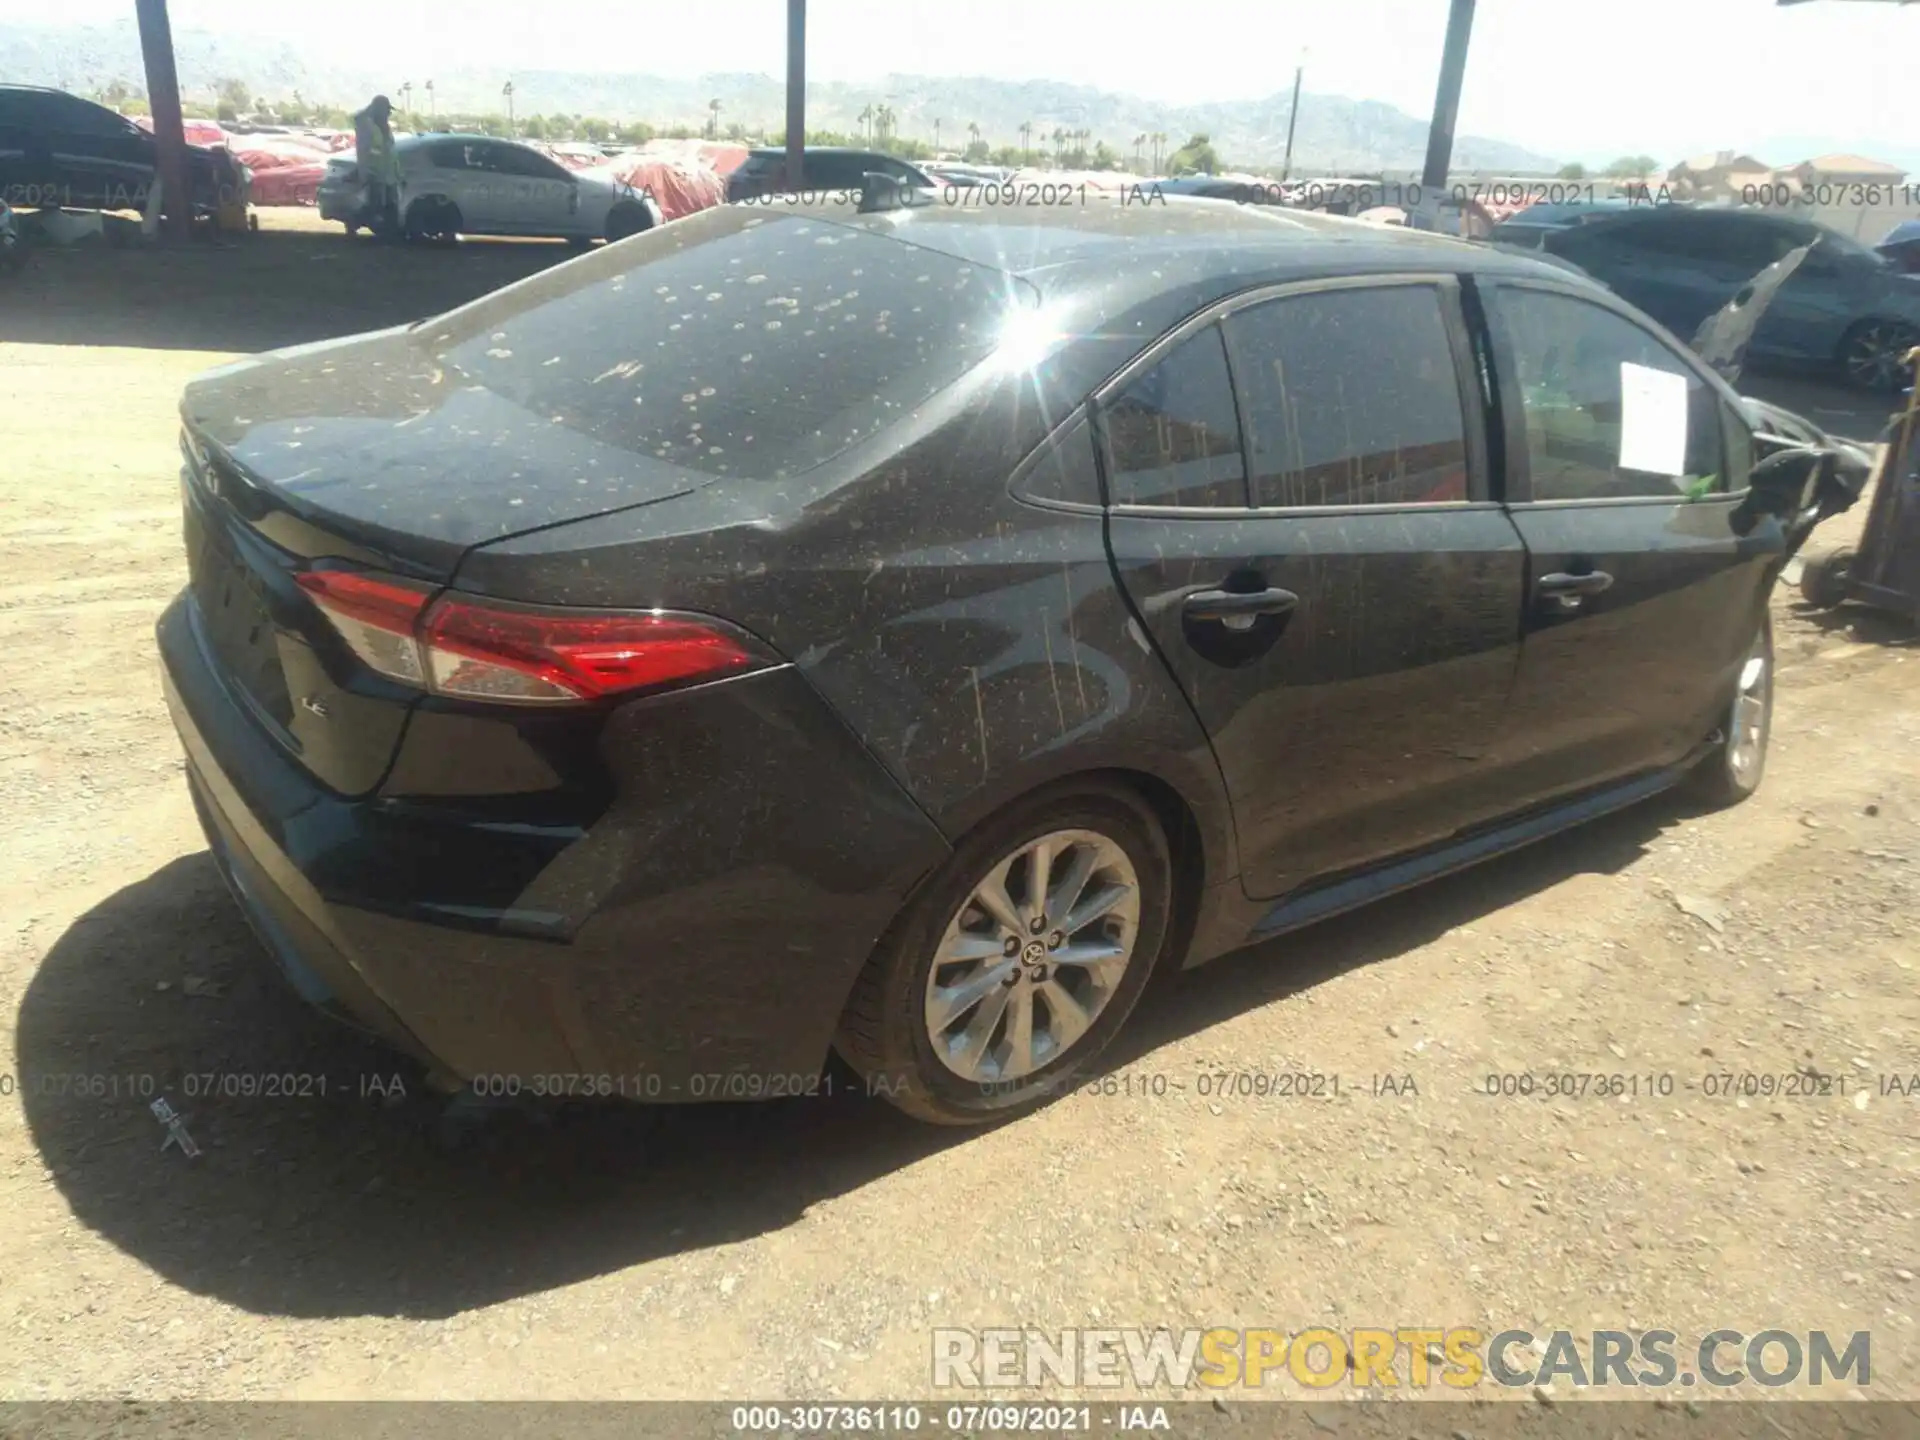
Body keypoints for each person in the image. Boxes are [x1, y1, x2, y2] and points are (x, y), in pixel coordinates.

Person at [353, 95, 402, 238]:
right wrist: (366, 171)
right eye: (386, 110)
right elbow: (364, 151)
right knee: (374, 205)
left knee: (388, 204)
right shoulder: (367, 126)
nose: (389, 113)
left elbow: (390, 151)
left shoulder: (385, 127)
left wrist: (397, 172)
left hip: (388, 173)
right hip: (375, 172)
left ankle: (387, 233)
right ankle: (355, 223)